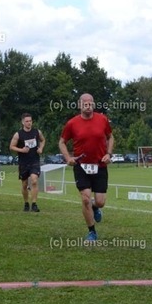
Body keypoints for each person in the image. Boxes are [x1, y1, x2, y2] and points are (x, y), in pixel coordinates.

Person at [59, 93, 114, 241]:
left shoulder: (102, 119)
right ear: (80, 105)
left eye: (90, 103)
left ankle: (95, 207)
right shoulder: (72, 123)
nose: (88, 106)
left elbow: (110, 137)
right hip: (81, 166)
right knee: (85, 198)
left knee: (100, 202)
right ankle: (92, 232)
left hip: (100, 165)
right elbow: (62, 142)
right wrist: (68, 158)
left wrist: (108, 154)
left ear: (93, 105)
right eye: (85, 104)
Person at [9, 113, 45, 212]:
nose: (29, 123)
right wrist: (21, 150)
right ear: (23, 122)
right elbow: (11, 146)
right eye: (27, 121)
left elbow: (43, 140)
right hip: (23, 162)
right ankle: (26, 203)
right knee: (24, 184)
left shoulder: (37, 132)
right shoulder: (18, 134)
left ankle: (34, 204)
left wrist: (41, 148)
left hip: (34, 161)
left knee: (34, 181)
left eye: (30, 121)